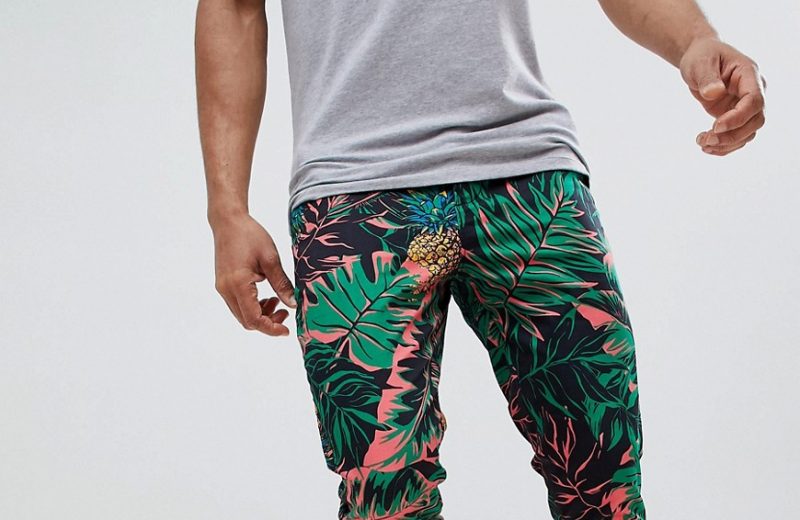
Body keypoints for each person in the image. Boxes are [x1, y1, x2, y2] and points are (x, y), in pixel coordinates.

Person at [194, 0, 766, 518]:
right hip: (352, 194)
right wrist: (227, 209)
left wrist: (694, 39)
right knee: (384, 500)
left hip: (529, 174)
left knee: (605, 482)